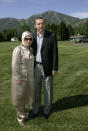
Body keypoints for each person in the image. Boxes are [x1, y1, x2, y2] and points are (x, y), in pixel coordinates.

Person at [32, 17, 58, 119]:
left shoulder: (51, 35)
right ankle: (35, 110)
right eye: (38, 24)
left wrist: (54, 68)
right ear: (35, 26)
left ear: (45, 24)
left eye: (42, 23)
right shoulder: (32, 36)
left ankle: (47, 111)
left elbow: (55, 53)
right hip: (35, 67)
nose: (40, 25)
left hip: (47, 67)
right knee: (36, 90)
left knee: (48, 90)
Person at [11, 31, 34, 126]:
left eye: (30, 39)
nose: (28, 41)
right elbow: (15, 65)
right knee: (20, 99)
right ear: (22, 39)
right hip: (20, 79)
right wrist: (17, 78)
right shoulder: (18, 49)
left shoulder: (31, 49)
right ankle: (21, 118)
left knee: (28, 97)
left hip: (30, 79)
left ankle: (26, 113)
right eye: (26, 39)